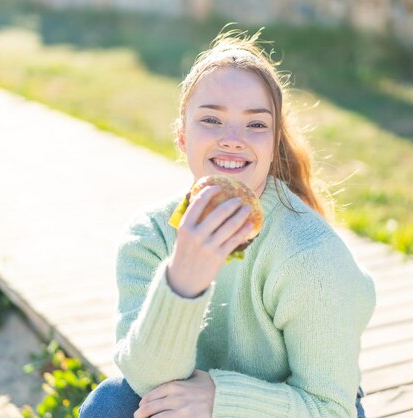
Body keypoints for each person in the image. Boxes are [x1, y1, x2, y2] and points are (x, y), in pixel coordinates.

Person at [79, 28, 376, 418]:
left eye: (255, 125)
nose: (233, 139)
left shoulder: (310, 252)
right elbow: (148, 382)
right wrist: (183, 279)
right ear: (182, 136)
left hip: (292, 408)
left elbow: (329, 409)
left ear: (273, 144)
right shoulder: (149, 235)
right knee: (111, 403)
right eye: (211, 120)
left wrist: (221, 399)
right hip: (187, 403)